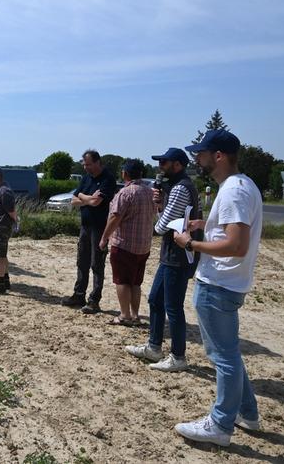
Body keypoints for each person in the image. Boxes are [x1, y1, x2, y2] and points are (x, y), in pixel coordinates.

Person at [173, 130, 263, 447]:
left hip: (218, 285)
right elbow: (229, 232)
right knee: (230, 354)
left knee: (223, 357)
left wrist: (191, 242)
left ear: (219, 156)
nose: (197, 158)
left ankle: (221, 425)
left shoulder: (234, 191)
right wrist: (206, 226)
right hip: (228, 284)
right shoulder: (242, 185)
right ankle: (248, 413)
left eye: (202, 153)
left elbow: (236, 245)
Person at [126, 148, 201, 372]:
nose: (160, 166)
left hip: (178, 256)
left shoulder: (180, 188)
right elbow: (166, 218)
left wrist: (160, 211)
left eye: (164, 162)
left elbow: (161, 226)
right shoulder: (178, 186)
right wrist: (160, 205)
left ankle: (178, 357)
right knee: (156, 300)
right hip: (171, 255)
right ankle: (154, 347)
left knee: (174, 307)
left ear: (177, 164)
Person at [98, 159, 156, 324]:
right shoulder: (150, 192)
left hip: (124, 245)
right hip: (144, 246)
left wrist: (104, 238)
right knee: (136, 282)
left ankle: (124, 315)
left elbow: (115, 217)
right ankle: (135, 314)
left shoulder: (125, 193)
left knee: (122, 280)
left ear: (125, 173)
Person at [63, 150, 117, 313]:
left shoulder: (108, 178)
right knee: (82, 261)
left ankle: (94, 300)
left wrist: (83, 198)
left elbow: (96, 202)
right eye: (84, 164)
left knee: (96, 264)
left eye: (88, 164)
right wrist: (85, 196)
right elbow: (74, 200)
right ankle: (79, 294)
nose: (86, 168)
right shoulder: (86, 178)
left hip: (100, 227)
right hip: (85, 226)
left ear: (98, 162)